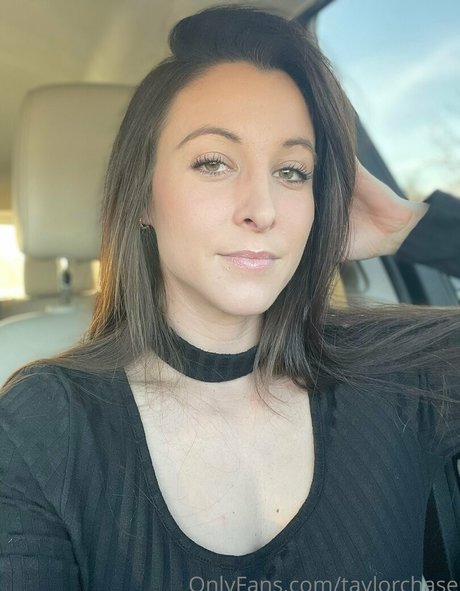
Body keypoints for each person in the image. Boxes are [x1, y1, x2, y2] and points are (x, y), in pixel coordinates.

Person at [0, 5, 459, 590]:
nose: (262, 210)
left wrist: (409, 227)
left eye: (292, 172)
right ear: (142, 196)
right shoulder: (42, 425)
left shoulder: (396, 374)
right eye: (214, 162)